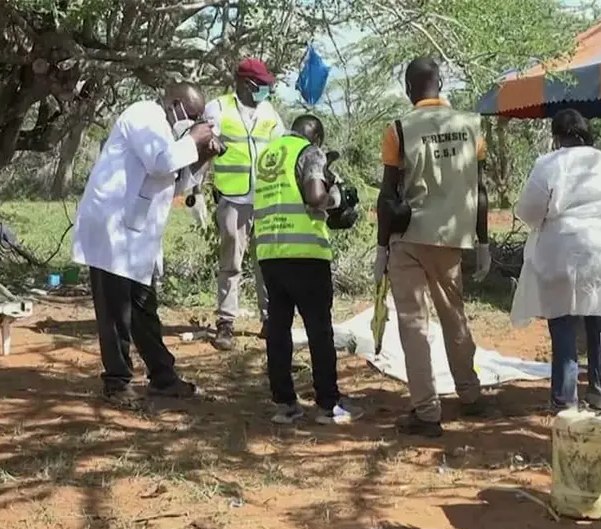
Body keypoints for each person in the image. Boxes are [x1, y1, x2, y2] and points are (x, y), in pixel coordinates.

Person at [72, 83, 220, 407]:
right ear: (176, 104)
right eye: (192, 116)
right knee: (115, 311)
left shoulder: (170, 134)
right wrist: (194, 141)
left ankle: (163, 377)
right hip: (111, 226)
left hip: (137, 233)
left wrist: (203, 156)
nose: (194, 124)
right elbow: (159, 163)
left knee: (142, 307)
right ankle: (117, 382)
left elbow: (179, 182)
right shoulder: (145, 115)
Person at [374, 57, 490, 438]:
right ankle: (470, 394)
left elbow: (388, 194)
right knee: (454, 315)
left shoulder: (399, 129)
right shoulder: (472, 126)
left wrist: (380, 249)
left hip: (409, 238)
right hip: (453, 238)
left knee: (414, 324)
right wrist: (484, 241)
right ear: (441, 83)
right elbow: (481, 190)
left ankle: (427, 410)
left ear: (409, 89)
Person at [511, 110, 601, 412]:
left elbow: (528, 211)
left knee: (564, 327)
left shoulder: (548, 164)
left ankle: (565, 400)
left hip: (561, 249)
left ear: (556, 137)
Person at [253, 114, 364, 425]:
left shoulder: (268, 155)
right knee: (319, 330)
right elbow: (315, 196)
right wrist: (339, 198)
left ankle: (285, 405)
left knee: (278, 329)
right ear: (316, 138)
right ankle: (329, 404)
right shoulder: (310, 153)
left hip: (270, 253)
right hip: (305, 254)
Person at [202, 58, 286, 350]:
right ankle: (226, 323)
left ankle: (269, 320)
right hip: (232, 197)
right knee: (231, 263)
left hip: (265, 197)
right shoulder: (219, 107)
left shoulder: (269, 111)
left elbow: (282, 146)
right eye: (262, 85)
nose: (266, 90)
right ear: (247, 84)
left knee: (268, 263)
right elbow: (204, 141)